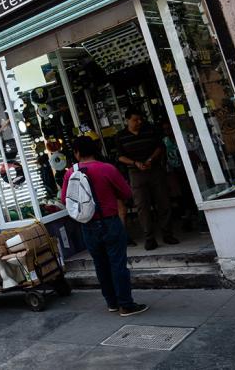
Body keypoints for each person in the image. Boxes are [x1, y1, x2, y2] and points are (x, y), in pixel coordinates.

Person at [62, 136, 149, 316]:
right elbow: (126, 192)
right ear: (95, 150)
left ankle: (112, 303)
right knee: (117, 264)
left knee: (100, 265)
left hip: (87, 225)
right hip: (109, 221)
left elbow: (65, 200)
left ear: (77, 153)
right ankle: (126, 304)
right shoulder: (107, 169)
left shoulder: (71, 173)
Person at [116, 107, 178, 250]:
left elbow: (160, 147)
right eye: (135, 120)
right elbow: (120, 157)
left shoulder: (149, 130)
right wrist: (135, 163)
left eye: (140, 119)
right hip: (136, 174)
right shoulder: (121, 136)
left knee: (163, 202)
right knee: (142, 206)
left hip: (154, 170)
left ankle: (167, 234)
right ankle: (149, 238)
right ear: (127, 120)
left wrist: (151, 159)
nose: (139, 122)